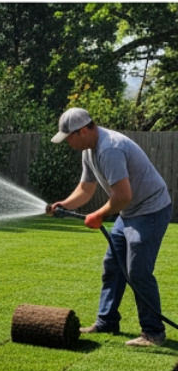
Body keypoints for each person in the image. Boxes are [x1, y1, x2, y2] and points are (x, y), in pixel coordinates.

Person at [45, 107, 172, 347]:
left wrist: (98, 215)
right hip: (129, 211)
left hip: (150, 210)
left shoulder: (110, 148)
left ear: (83, 131)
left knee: (138, 272)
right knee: (112, 265)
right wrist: (64, 204)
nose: (68, 142)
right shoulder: (89, 150)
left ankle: (153, 333)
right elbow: (86, 189)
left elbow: (123, 195)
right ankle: (107, 321)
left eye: (69, 137)